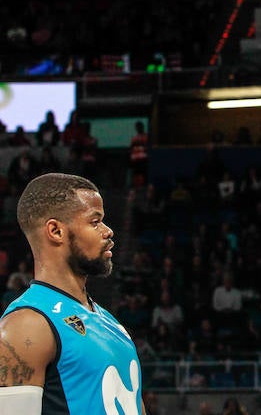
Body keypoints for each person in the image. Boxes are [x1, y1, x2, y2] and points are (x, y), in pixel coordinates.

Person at [0, 173, 145, 413]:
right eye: (95, 222)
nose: (108, 231)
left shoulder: (109, 322)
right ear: (56, 231)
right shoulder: (27, 325)